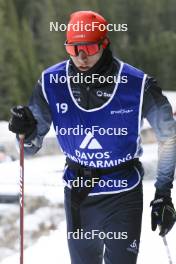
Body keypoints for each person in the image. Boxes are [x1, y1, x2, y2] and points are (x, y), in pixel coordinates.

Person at [9, 10, 176, 264]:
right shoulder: (51, 83)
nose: (81, 56)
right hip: (78, 193)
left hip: (124, 192)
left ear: (104, 43)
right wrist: (25, 130)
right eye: (73, 49)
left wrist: (163, 193)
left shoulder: (138, 84)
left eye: (88, 47)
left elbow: (168, 137)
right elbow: (29, 147)